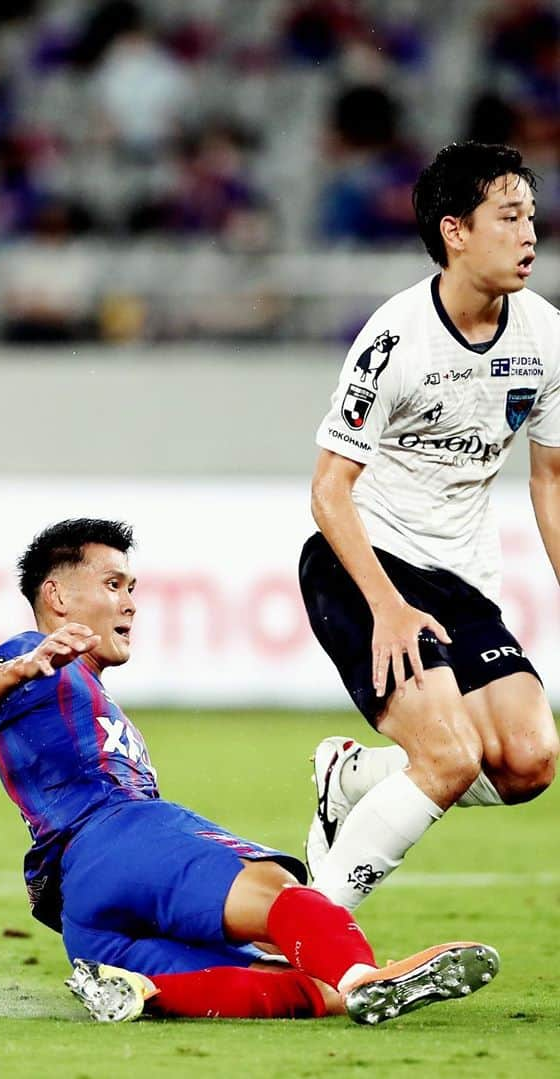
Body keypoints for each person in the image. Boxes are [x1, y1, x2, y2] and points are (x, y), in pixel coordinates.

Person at [0, 518, 500, 1023]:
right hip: (117, 838)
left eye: (132, 588)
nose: (130, 603)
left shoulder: (78, 689)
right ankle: (365, 976)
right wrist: (22, 666)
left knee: (307, 991)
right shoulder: (33, 657)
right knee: (280, 894)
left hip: (85, 913)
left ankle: (137, 989)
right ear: (56, 595)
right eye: (114, 585)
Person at [300, 141, 560, 911]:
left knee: (528, 761)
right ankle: (311, 925)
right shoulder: (394, 340)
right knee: (448, 757)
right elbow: (328, 491)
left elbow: (549, 478)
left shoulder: (545, 336)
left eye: (532, 217)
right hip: (364, 562)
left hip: (460, 580)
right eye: (509, 217)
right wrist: (386, 605)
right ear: (455, 231)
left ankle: (350, 778)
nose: (530, 235)